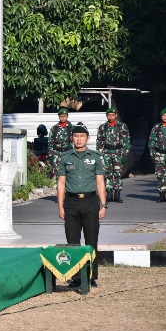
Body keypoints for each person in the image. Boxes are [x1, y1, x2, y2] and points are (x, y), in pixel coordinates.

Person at [56, 122, 107, 288]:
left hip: (90, 202)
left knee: (91, 241)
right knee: (72, 241)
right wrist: (60, 206)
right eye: (76, 136)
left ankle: (91, 276)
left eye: (82, 136)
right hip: (71, 203)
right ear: (72, 138)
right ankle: (76, 277)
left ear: (87, 138)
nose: (79, 139)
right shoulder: (65, 158)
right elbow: (61, 183)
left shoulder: (95, 157)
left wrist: (103, 205)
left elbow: (100, 183)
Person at [96, 107, 131, 203]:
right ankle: (109, 193)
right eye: (108, 115)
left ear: (116, 115)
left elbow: (126, 141)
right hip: (106, 152)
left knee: (117, 174)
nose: (110, 117)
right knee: (107, 174)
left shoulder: (122, 126)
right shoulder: (103, 127)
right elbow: (99, 141)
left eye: (112, 115)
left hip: (118, 152)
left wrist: (124, 154)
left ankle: (117, 194)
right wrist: (100, 154)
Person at [148, 107, 166, 202]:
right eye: (164, 115)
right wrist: (153, 155)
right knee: (160, 175)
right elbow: (151, 141)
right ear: (161, 117)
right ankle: (161, 195)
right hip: (160, 154)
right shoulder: (157, 127)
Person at [48, 108, 73, 176]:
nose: (62, 118)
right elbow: (50, 142)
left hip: (68, 153)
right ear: (58, 117)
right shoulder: (54, 128)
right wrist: (50, 155)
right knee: (56, 172)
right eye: (61, 116)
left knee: (69, 171)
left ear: (67, 116)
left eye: (64, 116)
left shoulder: (71, 127)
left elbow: (76, 141)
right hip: (57, 153)